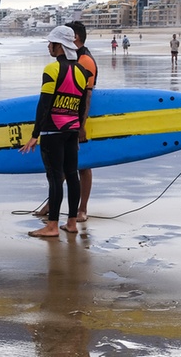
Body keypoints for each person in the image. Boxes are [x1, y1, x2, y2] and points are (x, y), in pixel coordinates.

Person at [19, 26, 91, 238]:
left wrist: (35, 134)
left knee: (55, 177)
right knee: (72, 175)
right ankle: (71, 223)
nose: (48, 46)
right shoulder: (81, 71)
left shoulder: (51, 70)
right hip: (71, 130)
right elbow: (79, 106)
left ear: (59, 46)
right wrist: (77, 129)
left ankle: (51, 226)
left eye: (51, 43)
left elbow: (44, 105)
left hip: (53, 131)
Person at [67, 22, 98, 222]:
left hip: (81, 118)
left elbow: (86, 97)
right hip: (67, 115)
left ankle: (82, 208)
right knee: (65, 161)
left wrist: (81, 125)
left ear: (75, 37)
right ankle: (52, 204)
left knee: (83, 164)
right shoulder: (74, 58)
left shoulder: (85, 60)